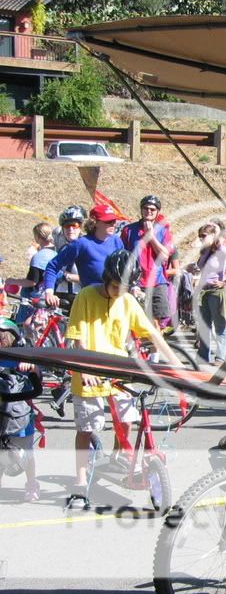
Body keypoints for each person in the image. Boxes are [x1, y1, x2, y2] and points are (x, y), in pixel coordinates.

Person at [63, 250, 186, 510]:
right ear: (107, 278)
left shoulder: (128, 301)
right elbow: (77, 338)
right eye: (116, 286)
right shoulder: (86, 296)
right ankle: (80, 482)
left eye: (125, 287)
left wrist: (177, 366)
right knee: (87, 428)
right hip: (88, 371)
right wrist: (84, 371)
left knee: (128, 419)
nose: (120, 291)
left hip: (118, 370)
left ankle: (119, 456)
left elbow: (153, 334)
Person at [42, 204, 123, 310]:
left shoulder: (117, 241)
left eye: (113, 221)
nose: (113, 224)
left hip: (115, 301)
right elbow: (52, 266)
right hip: (91, 301)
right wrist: (49, 292)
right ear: (95, 223)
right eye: (108, 222)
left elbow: (125, 268)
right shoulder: (81, 244)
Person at [0, 319, 41, 502]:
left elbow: (38, 375)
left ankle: (32, 483)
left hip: (19, 414)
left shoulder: (21, 355)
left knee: (26, 453)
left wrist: (31, 366)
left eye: (3, 338)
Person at [120, 194, 174, 328]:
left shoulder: (163, 231)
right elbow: (122, 255)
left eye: (153, 209)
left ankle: (157, 349)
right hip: (136, 281)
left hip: (157, 281)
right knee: (135, 321)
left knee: (157, 323)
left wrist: (151, 236)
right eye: (145, 208)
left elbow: (165, 256)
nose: (149, 211)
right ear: (141, 209)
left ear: (157, 212)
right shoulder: (128, 230)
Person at [190, 222, 226, 365]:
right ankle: (203, 355)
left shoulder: (221, 249)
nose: (201, 239)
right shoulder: (205, 252)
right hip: (204, 291)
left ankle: (221, 357)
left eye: (203, 236)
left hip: (216, 291)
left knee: (220, 325)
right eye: (200, 236)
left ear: (212, 235)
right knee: (204, 325)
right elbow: (196, 252)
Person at [11, 223, 57, 325]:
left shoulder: (40, 257)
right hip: (52, 299)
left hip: (36, 302)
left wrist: (13, 281)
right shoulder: (56, 253)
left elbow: (32, 282)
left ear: (37, 237)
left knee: (25, 328)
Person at [52, 206, 85, 306]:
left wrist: (67, 276)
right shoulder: (63, 248)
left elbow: (92, 277)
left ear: (80, 227)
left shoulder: (87, 249)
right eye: (66, 226)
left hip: (80, 296)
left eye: (74, 225)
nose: (70, 229)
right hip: (59, 294)